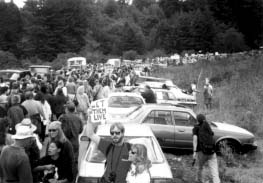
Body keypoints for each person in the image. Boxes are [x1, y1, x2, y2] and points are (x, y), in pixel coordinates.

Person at [192, 114, 220, 183]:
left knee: (200, 167)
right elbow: (212, 134)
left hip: (201, 152)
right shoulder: (207, 126)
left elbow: (195, 139)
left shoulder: (195, 128)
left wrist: (194, 152)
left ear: (197, 120)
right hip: (212, 152)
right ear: (204, 119)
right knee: (215, 173)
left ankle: (199, 180)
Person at [58, 102, 83, 167]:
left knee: (65, 162)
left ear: (67, 109)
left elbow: (59, 130)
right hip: (75, 143)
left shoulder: (63, 117)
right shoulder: (78, 118)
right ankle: (74, 175)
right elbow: (80, 130)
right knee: (74, 162)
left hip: (65, 142)